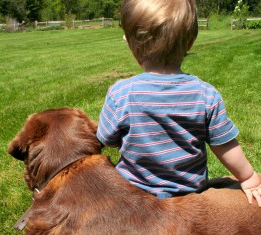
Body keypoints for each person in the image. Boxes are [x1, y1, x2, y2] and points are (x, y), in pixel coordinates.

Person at [96, 0, 261, 206]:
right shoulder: (205, 95)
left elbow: (105, 138)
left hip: (133, 198)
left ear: (129, 43)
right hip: (188, 198)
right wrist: (248, 177)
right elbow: (225, 145)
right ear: (191, 42)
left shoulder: (121, 94)